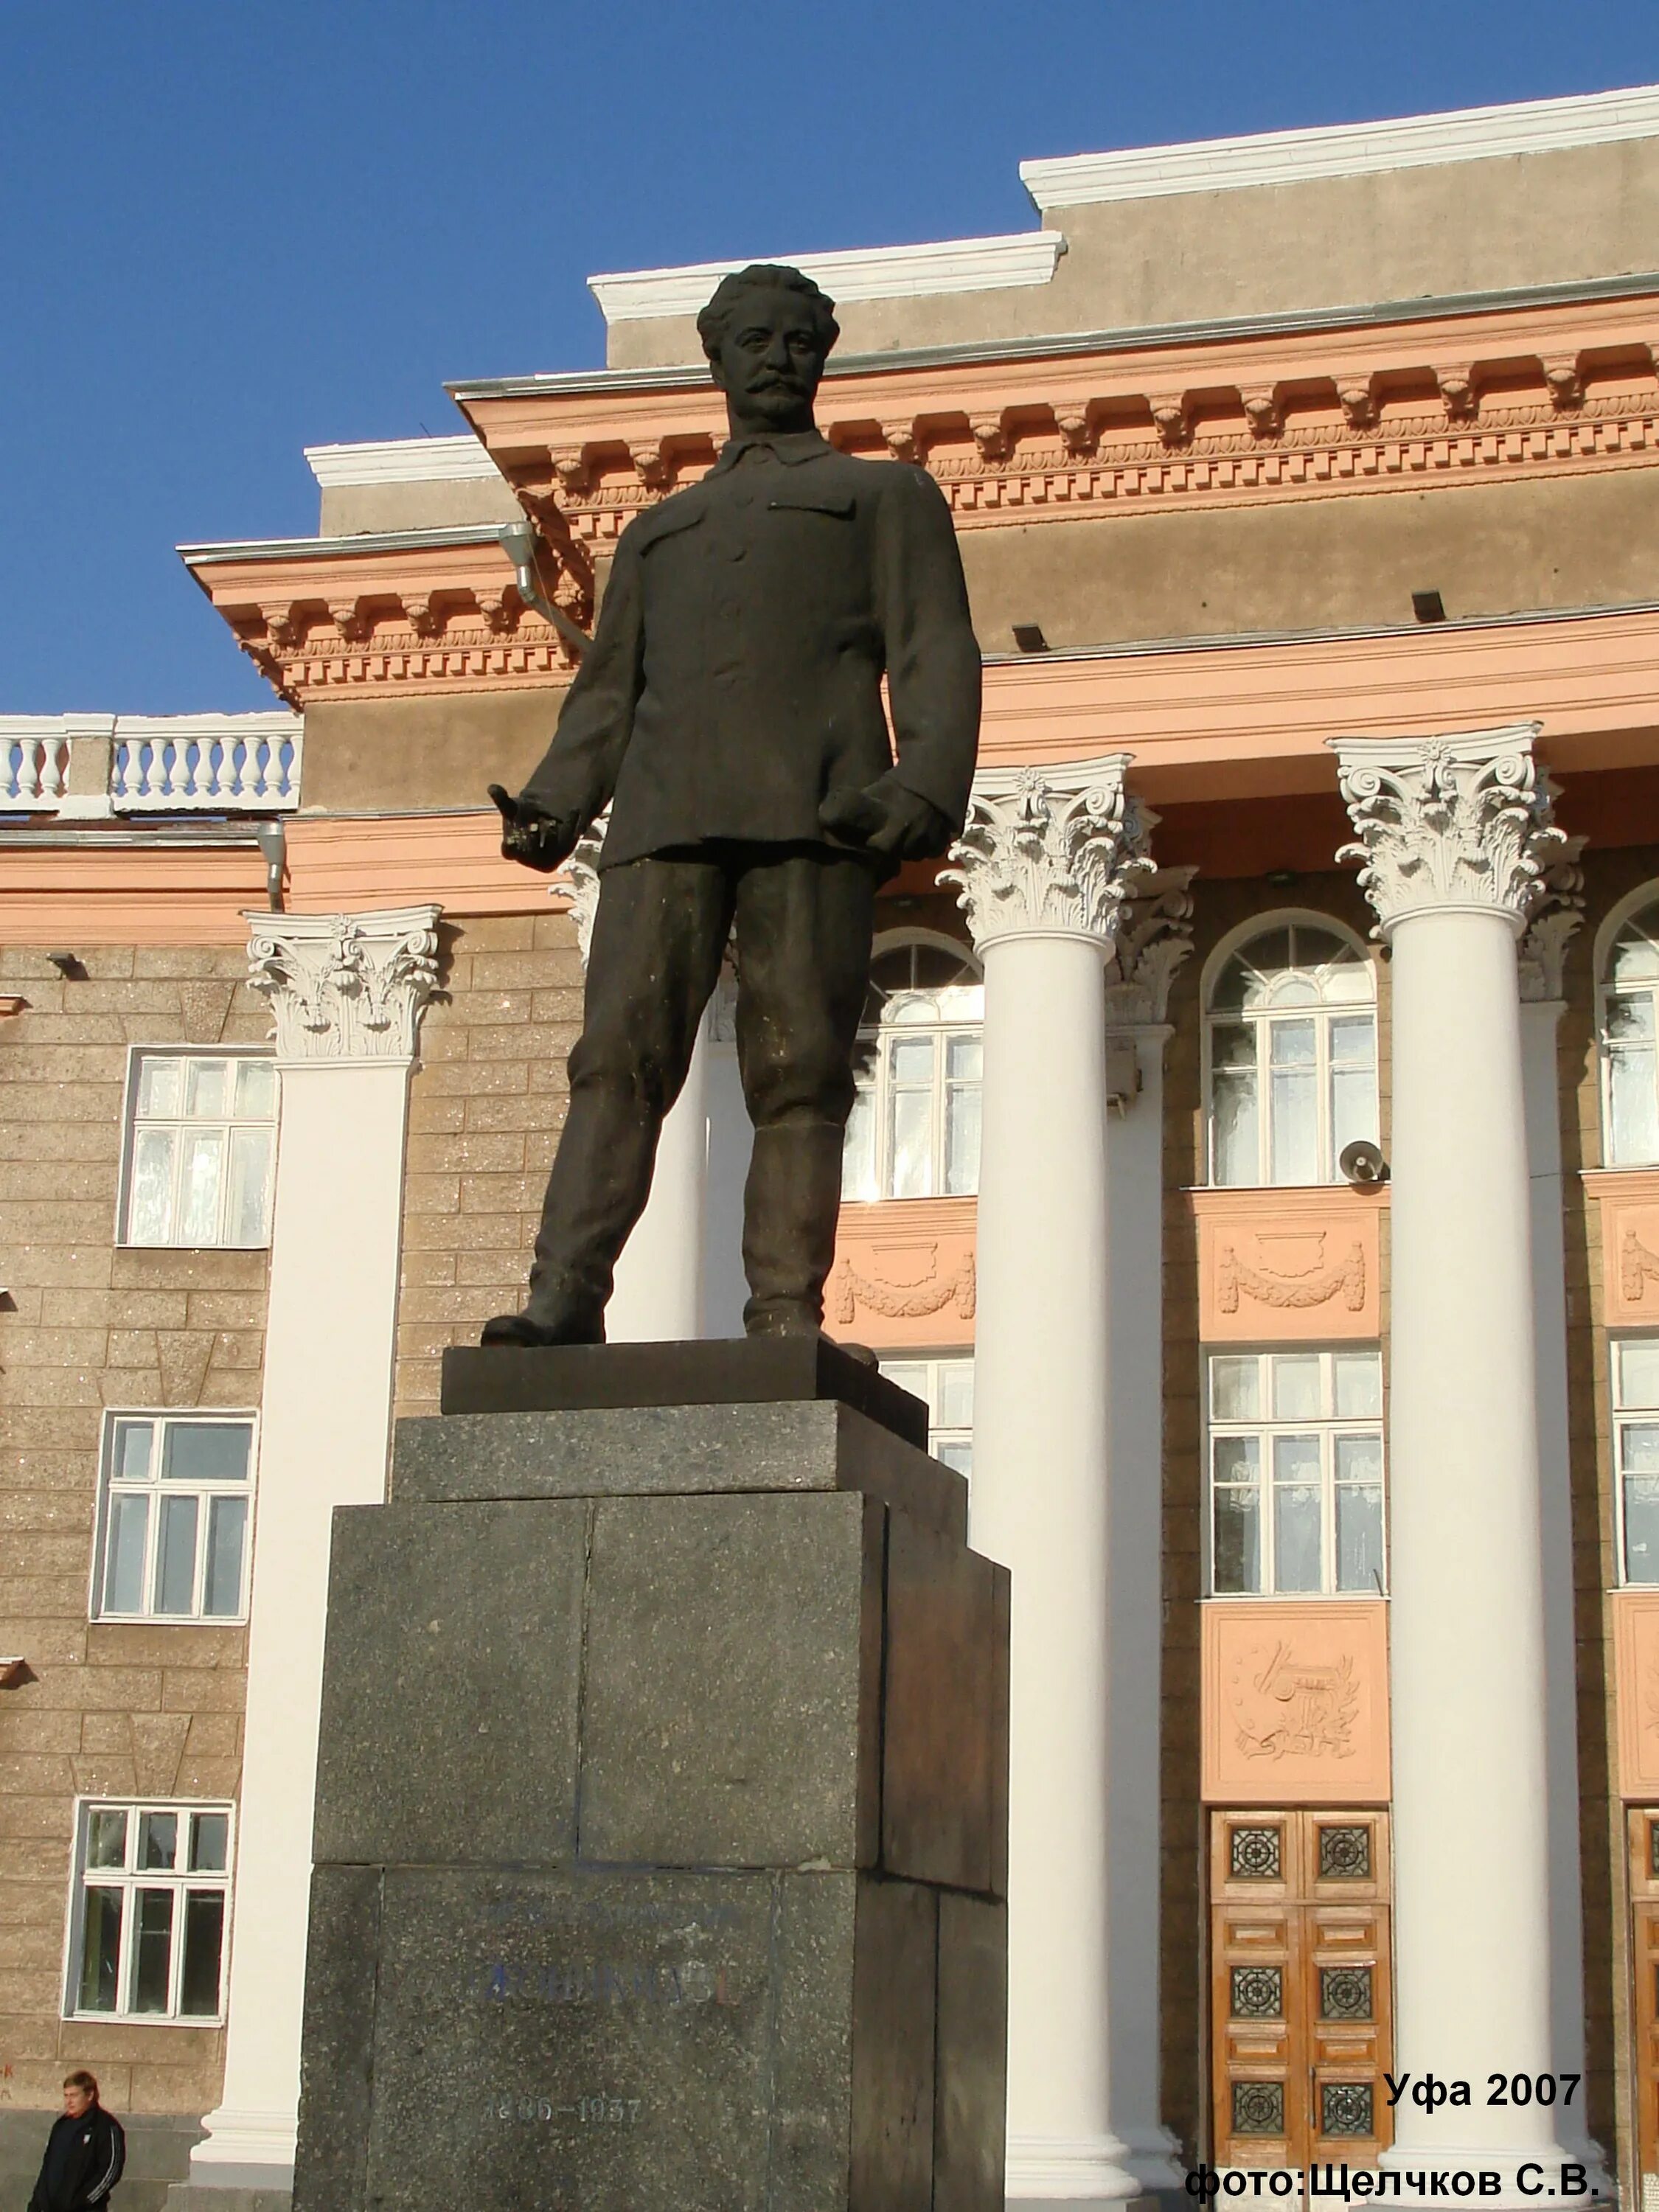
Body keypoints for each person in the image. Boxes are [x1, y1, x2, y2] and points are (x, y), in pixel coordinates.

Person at [482, 260, 982, 1349]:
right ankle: (563, 1298)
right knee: (615, 1060)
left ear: (823, 354)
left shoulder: (879, 497)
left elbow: (934, 648)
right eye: (753, 341)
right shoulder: (659, 534)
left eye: (796, 340)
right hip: (664, 824)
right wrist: (556, 806)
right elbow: (607, 694)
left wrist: (924, 788)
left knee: (799, 1074)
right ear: (716, 360)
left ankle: (782, 1316)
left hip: (816, 817)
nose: (776, 358)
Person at [27, 2073, 124, 2212]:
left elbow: (110, 2171)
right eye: (66, 2096)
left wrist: (84, 2200)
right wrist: (36, 2204)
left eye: (74, 2095)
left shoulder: (105, 2126)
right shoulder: (61, 2126)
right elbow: (48, 2168)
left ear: (90, 2095)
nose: (69, 2102)